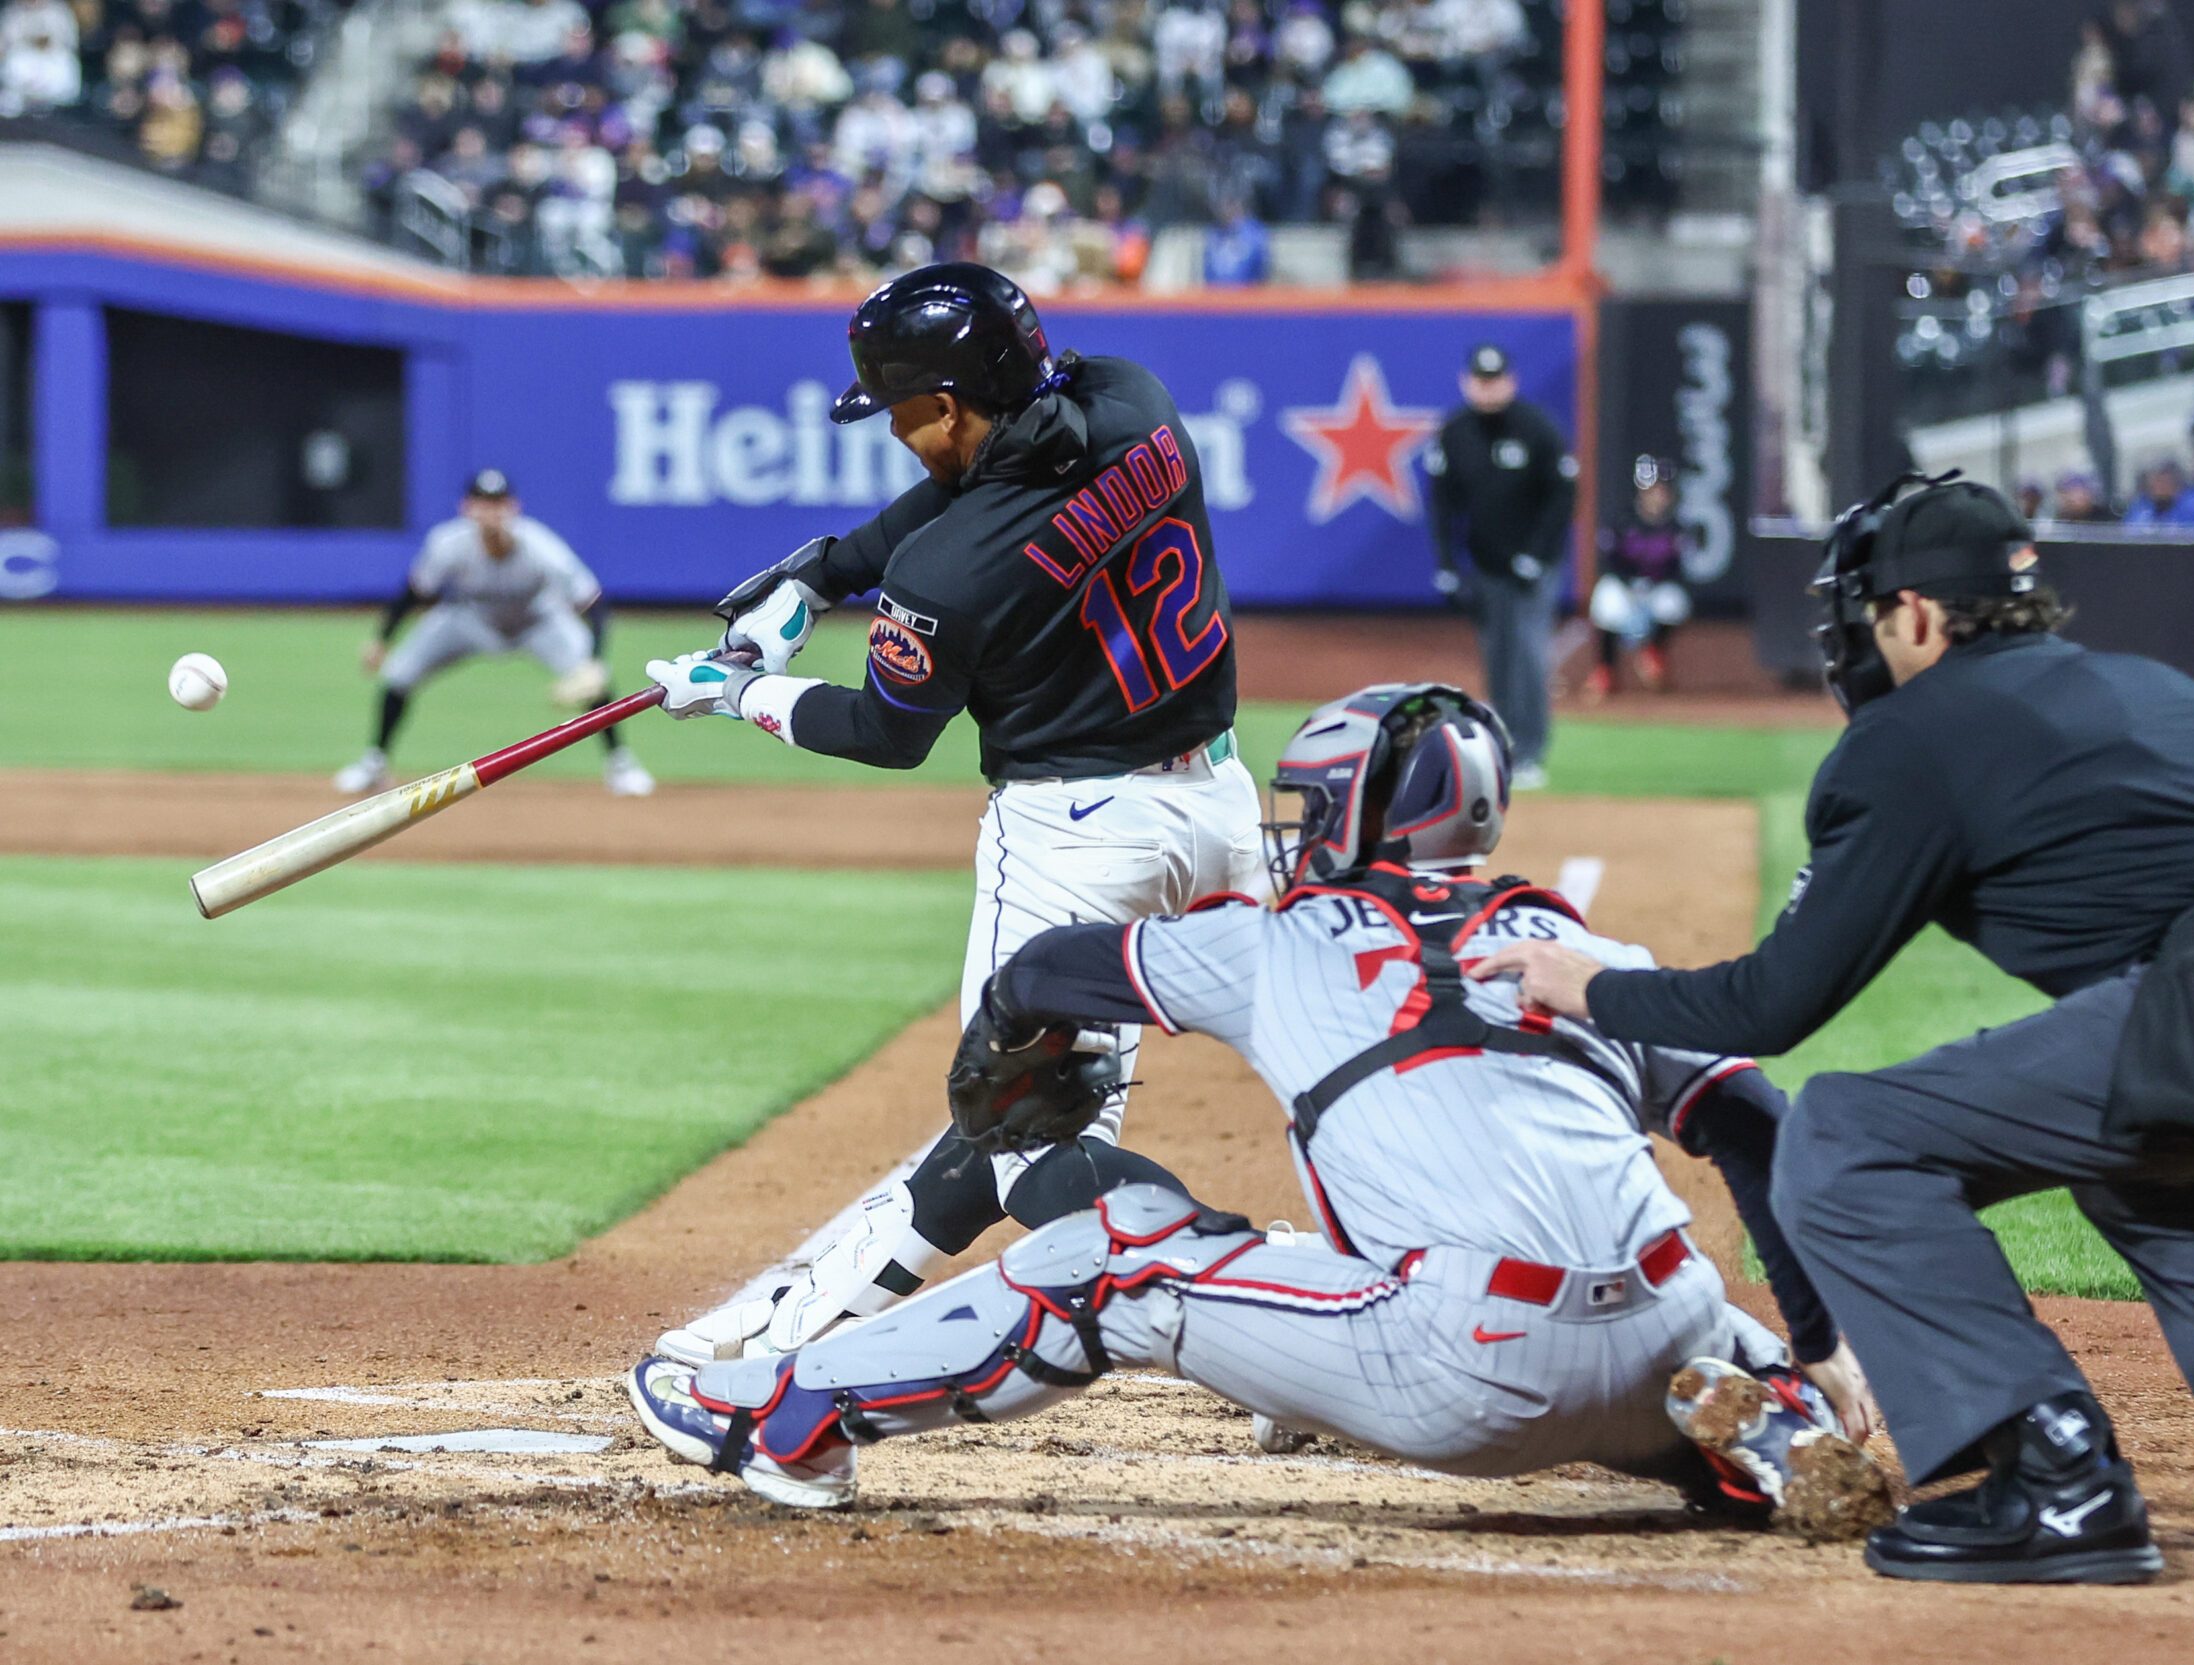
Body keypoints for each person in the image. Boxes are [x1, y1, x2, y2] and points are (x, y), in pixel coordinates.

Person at [1469, 474, 2194, 1585]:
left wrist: (1586, 986)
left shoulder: (1911, 737)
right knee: (2137, 1159)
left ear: (1919, 616)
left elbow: (1769, 1008)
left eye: (1866, 610)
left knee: (1843, 1136)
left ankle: (2057, 1477)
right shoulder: (2146, 687)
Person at [628, 682, 1887, 1531]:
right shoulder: (1567, 939)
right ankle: (1753, 1411)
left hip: (1469, 1375)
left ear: (1353, 815)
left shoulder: (1279, 939)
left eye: (1316, 805)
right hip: (1672, 1318)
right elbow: (1758, 1123)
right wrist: (1825, 1330)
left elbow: (1049, 964)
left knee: (1115, 1260)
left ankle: (786, 1417)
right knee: (1647, 1289)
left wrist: (1023, 1027)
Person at [638, 263, 1265, 1372]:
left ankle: (1262, 1298)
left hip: (1079, 843)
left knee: (1026, 1140)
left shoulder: (947, 575)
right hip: (1219, 809)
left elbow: (887, 731)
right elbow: (986, 485)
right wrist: (822, 574)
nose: (893, 432)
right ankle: (793, 1326)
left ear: (944, 402)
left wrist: (739, 693)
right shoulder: (1135, 401)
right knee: (1047, 1108)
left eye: (899, 413)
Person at [335, 469, 652, 798]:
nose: (490, 511)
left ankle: (621, 764)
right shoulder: (448, 543)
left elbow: (593, 601)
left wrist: (595, 661)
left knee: (592, 674)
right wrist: (382, 640)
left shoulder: (541, 547)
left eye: (498, 503)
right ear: (466, 507)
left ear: (514, 507)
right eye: (483, 502)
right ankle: (374, 763)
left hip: (537, 621)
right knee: (399, 673)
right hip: (470, 619)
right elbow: (415, 591)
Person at [1423, 344, 1578, 788]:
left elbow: (1562, 496)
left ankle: (1531, 750)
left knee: (1529, 654)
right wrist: (1447, 564)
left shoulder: (1537, 429)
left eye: (1495, 381)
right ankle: (1503, 744)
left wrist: (1538, 553)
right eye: (1480, 381)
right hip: (1486, 565)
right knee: (1497, 656)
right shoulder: (1455, 432)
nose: (1488, 390)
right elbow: (1441, 505)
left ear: (1510, 381)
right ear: (1467, 382)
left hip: (1534, 567)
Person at [1585, 453, 1691, 697]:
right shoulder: (1623, 520)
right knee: (1607, 602)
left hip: (1655, 587)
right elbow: (1608, 563)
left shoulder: (1677, 525)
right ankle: (1606, 670)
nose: (1658, 496)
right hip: (1624, 585)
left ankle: (1654, 652)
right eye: (1653, 490)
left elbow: (1677, 570)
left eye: (1662, 491)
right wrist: (1629, 585)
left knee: (1674, 602)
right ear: (1642, 492)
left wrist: (1650, 586)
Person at [2121, 457, 2194, 528]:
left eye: (2164, 481)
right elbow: (2130, 533)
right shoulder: (2142, 507)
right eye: (2156, 481)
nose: (2159, 486)